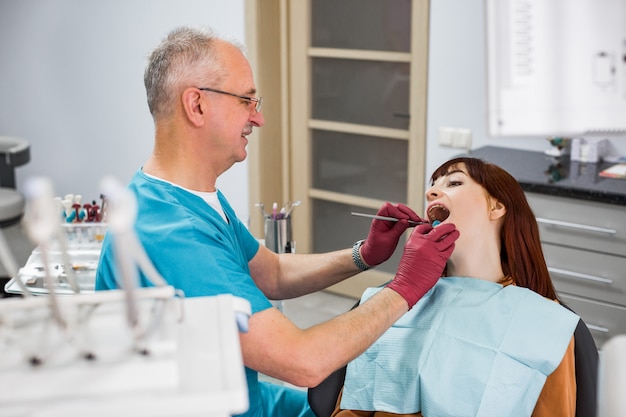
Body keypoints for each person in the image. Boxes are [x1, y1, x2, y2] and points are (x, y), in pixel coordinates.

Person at [94, 26, 459, 417]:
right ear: (196, 105)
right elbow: (302, 361)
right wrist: (406, 287)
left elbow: (272, 273)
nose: (259, 117)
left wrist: (364, 255)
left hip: (244, 399)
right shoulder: (171, 233)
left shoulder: (187, 196)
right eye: (246, 100)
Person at [331, 157, 580, 417]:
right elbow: (354, 408)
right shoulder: (394, 304)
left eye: (454, 182)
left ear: (496, 206)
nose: (431, 192)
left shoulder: (545, 323)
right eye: (433, 185)